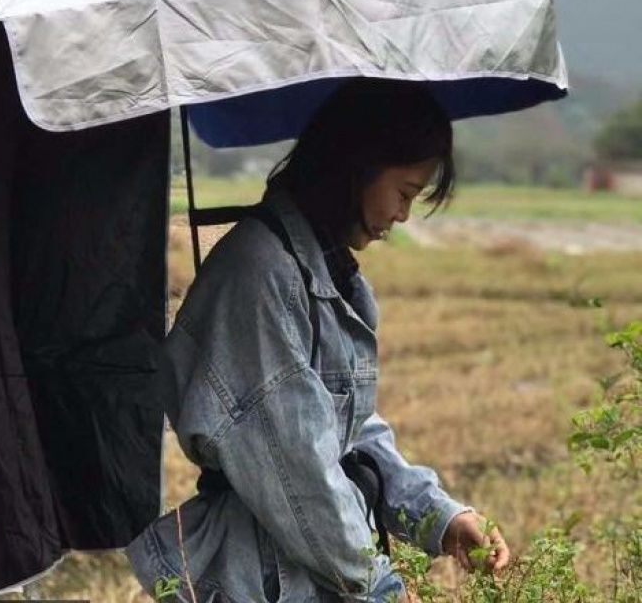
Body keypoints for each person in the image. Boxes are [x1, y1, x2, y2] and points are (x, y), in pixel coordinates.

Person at [126, 78, 510, 602]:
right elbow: (299, 471)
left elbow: (349, 433)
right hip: (259, 578)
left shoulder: (332, 276)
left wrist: (440, 516)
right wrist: (379, 588)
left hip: (302, 570)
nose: (402, 216)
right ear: (358, 166)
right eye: (404, 193)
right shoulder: (260, 275)